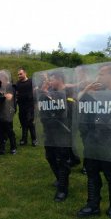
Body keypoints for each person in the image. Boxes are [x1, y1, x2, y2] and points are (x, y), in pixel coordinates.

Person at [77, 63, 111, 218]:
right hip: (93, 138)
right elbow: (78, 103)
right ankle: (92, 205)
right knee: (92, 173)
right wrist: (87, 92)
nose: (98, 77)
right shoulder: (97, 92)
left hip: (110, 140)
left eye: (101, 74)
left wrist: (95, 102)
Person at [34, 69, 75, 202]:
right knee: (50, 156)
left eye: (52, 79)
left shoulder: (68, 92)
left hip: (63, 131)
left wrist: (50, 96)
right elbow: (41, 107)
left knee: (62, 159)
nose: (50, 82)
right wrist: (43, 94)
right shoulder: (50, 91)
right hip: (49, 130)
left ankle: (63, 189)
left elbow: (67, 110)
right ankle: (59, 178)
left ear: (59, 79)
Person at [0, 70, 17, 155]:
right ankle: (0, 149)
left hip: (7, 111)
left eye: (0, 78)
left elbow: (9, 97)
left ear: (4, 78)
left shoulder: (10, 86)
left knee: (9, 130)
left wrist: (2, 95)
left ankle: (13, 147)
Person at [16, 67, 37, 146]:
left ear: (25, 73)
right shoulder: (18, 83)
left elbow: (35, 92)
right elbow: (16, 93)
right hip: (21, 107)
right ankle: (24, 140)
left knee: (30, 123)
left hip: (30, 106)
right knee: (23, 123)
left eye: (20, 74)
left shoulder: (31, 82)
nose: (19, 76)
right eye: (18, 74)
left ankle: (34, 139)